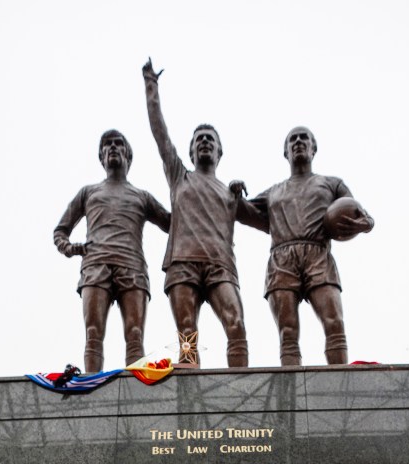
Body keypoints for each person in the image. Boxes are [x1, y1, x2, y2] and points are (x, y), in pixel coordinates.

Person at [142, 59, 257, 367]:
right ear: (191, 151)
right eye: (198, 140)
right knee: (188, 337)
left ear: (220, 152)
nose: (204, 142)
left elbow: (267, 219)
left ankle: (241, 388)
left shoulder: (230, 192)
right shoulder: (180, 175)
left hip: (220, 266)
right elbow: (160, 134)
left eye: (210, 140)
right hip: (183, 264)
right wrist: (151, 87)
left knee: (237, 326)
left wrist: (240, 199)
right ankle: (189, 399)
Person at [248, 126, 374, 366]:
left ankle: (340, 384)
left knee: (334, 323)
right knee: (288, 332)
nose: (298, 141)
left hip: (318, 254)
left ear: (314, 148)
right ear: (285, 152)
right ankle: (292, 394)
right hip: (282, 259)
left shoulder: (332, 183)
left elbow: (363, 215)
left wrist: (365, 224)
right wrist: (234, 195)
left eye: (303, 137)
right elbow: (241, 210)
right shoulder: (273, 192)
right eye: (292, 139)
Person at [53, 130, 170, 372]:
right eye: (108, 144)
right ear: (101, 155)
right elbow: (60, 231)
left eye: (118, 144)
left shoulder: (142, 196)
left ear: (128, 155)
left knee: (135, 334)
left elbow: (172, 224)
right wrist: (70, 248)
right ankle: (91, 383)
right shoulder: (88, 192)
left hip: (133, 267)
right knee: (93, 333)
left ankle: (136, 385)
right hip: (96, 266)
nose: (113, 147)